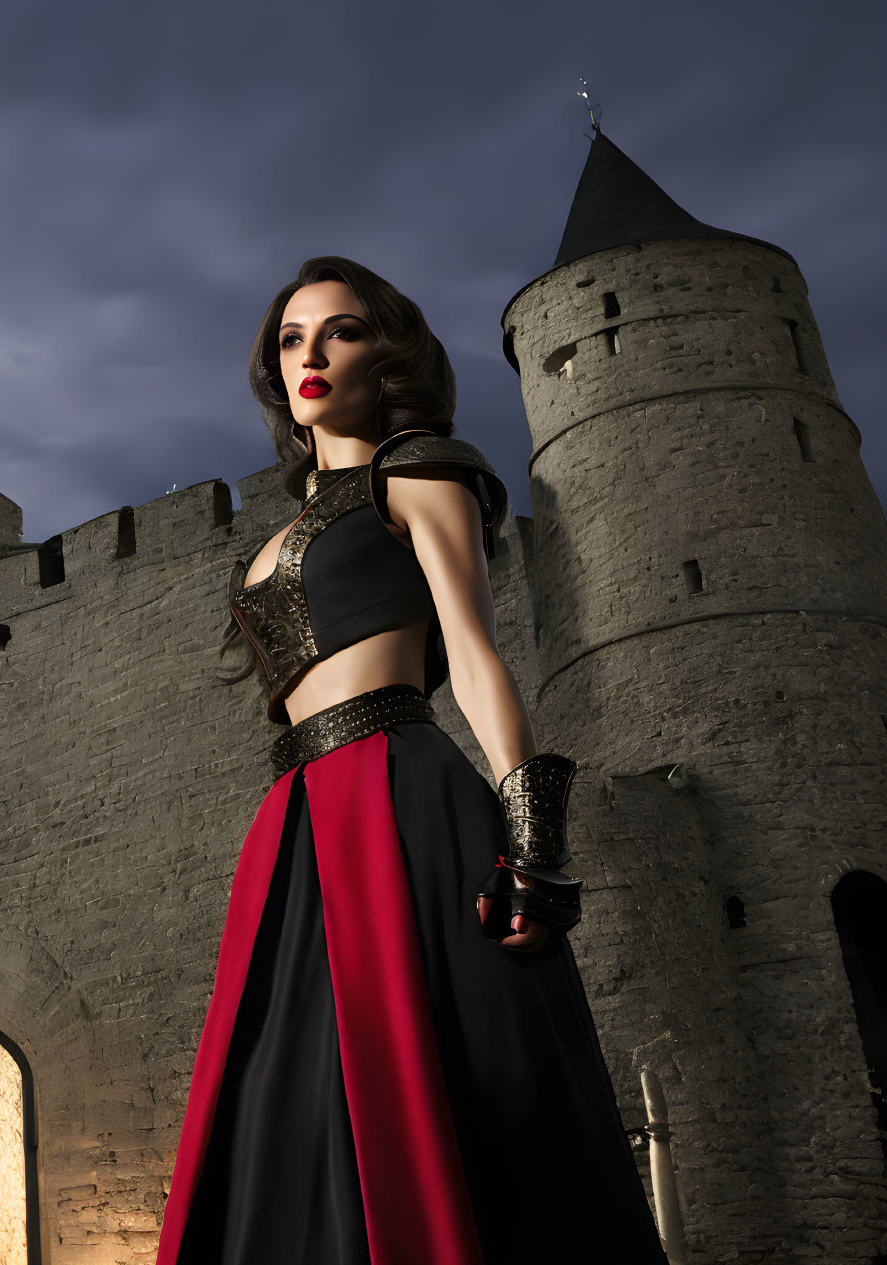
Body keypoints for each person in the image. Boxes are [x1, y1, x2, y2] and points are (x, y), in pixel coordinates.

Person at [155, 257, 668, 1265]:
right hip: (294, 815)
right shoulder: (278, 532)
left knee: (461, 1077)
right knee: (286, 1094)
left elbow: (473, 655)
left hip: (399, 789)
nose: (308, 354)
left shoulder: (419, 468)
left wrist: (536, 845)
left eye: (337, 332)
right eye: (289, 339)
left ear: (384, 349)